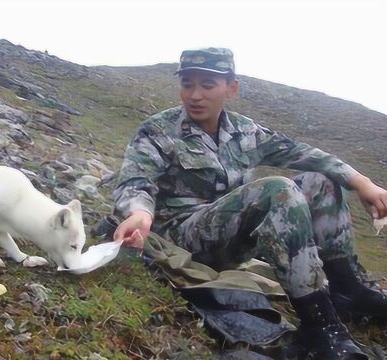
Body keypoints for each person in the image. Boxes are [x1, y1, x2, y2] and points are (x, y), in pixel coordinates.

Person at [112, 47, 387, 359]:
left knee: (320, 182)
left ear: (231, 87)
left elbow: (303, 154)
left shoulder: (246, 132)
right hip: (183, 236)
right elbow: (136, 181)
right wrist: (139, 214)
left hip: (232, 240)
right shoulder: (159, 130)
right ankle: (319, 326)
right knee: (277, 190)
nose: (196, 95)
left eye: (208, 84)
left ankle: (347, 290)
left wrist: (362, 182)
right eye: (188, 84)